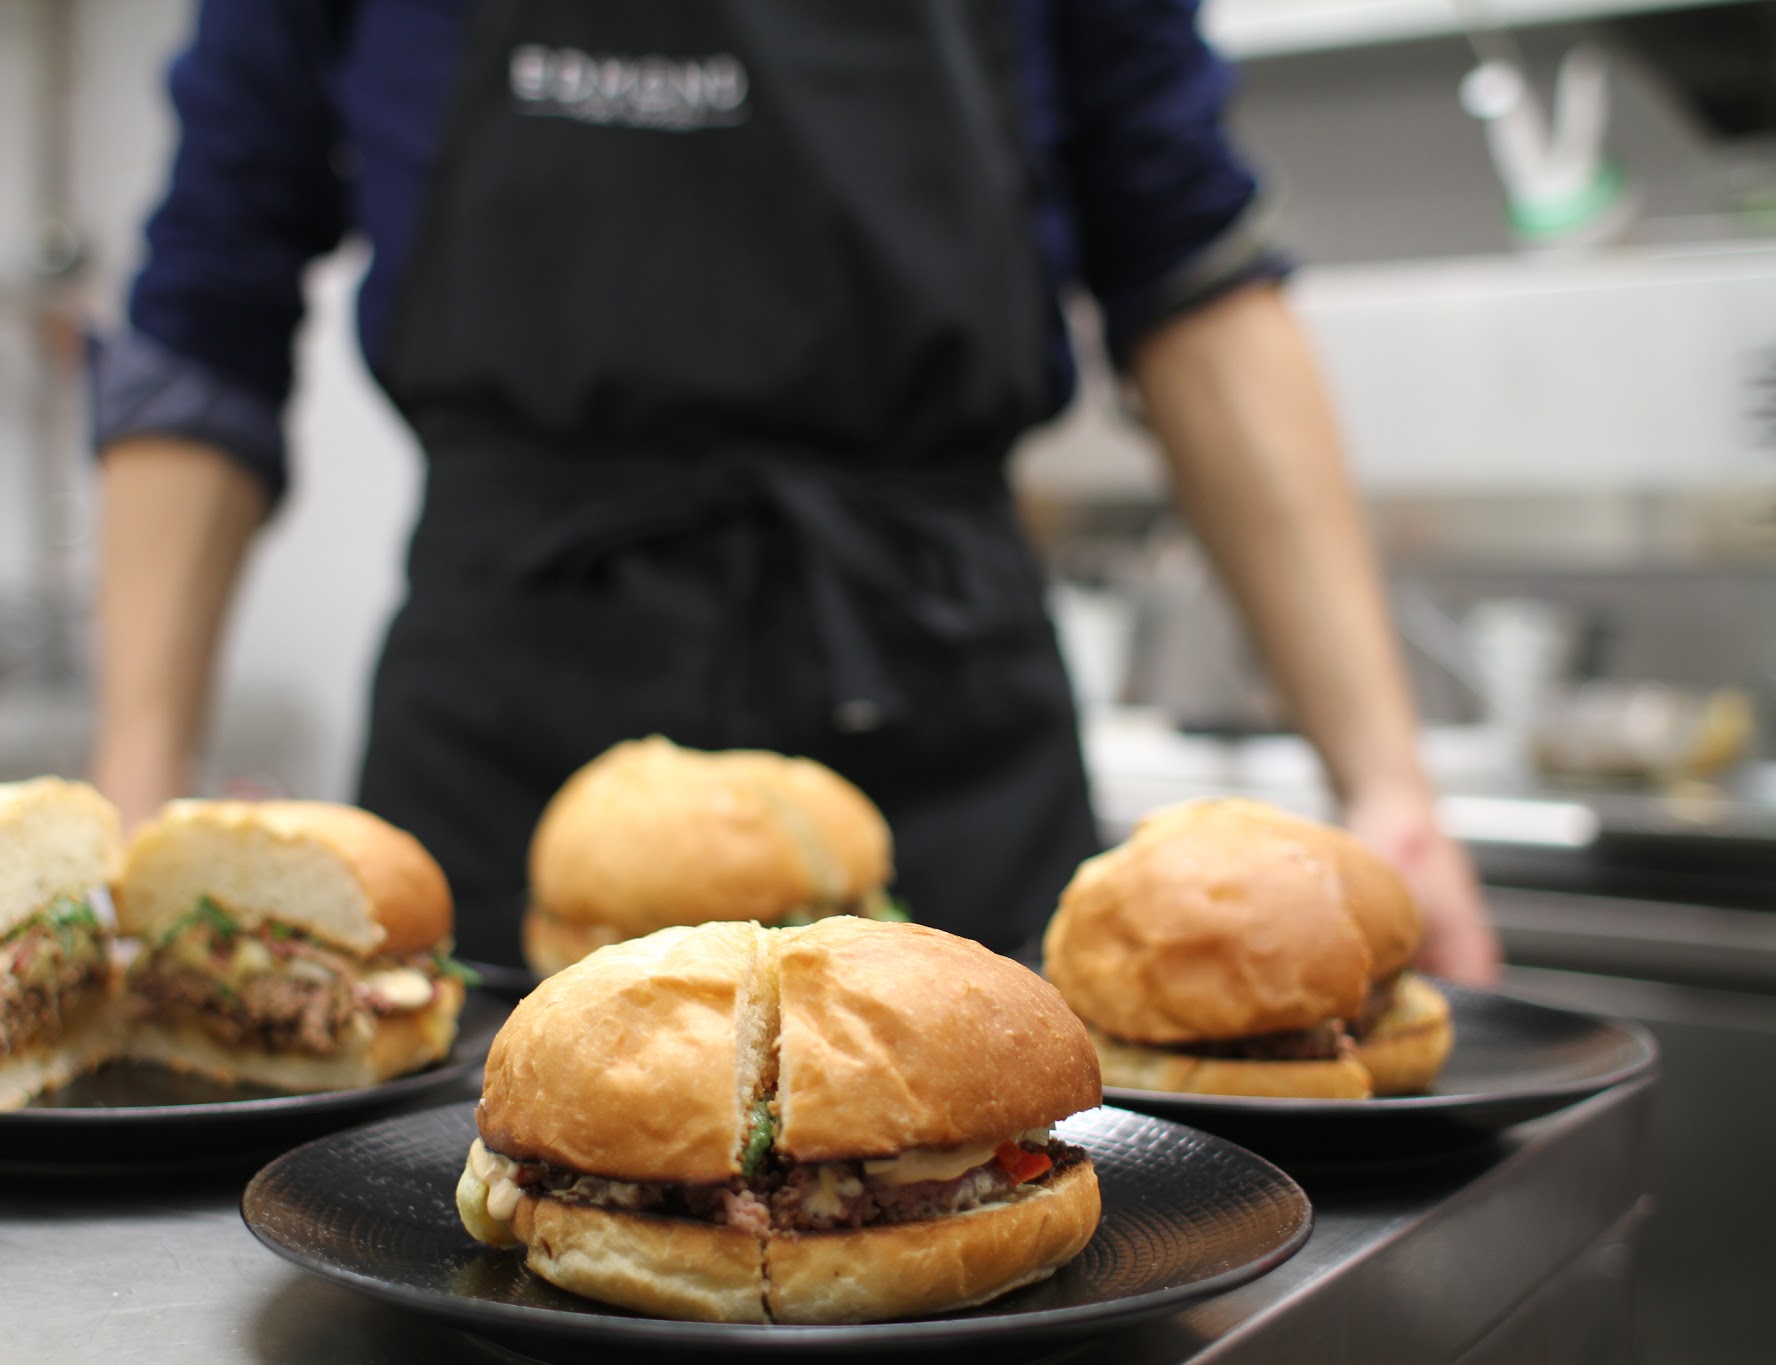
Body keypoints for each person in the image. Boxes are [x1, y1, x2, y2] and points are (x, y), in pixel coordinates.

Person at [89, 0, 1502, 983]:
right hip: (508, 737)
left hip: (938, 730)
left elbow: (1193, 275)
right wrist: (131, 807)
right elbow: (207, 310)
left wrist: (1389, 790)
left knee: (994, 1209)